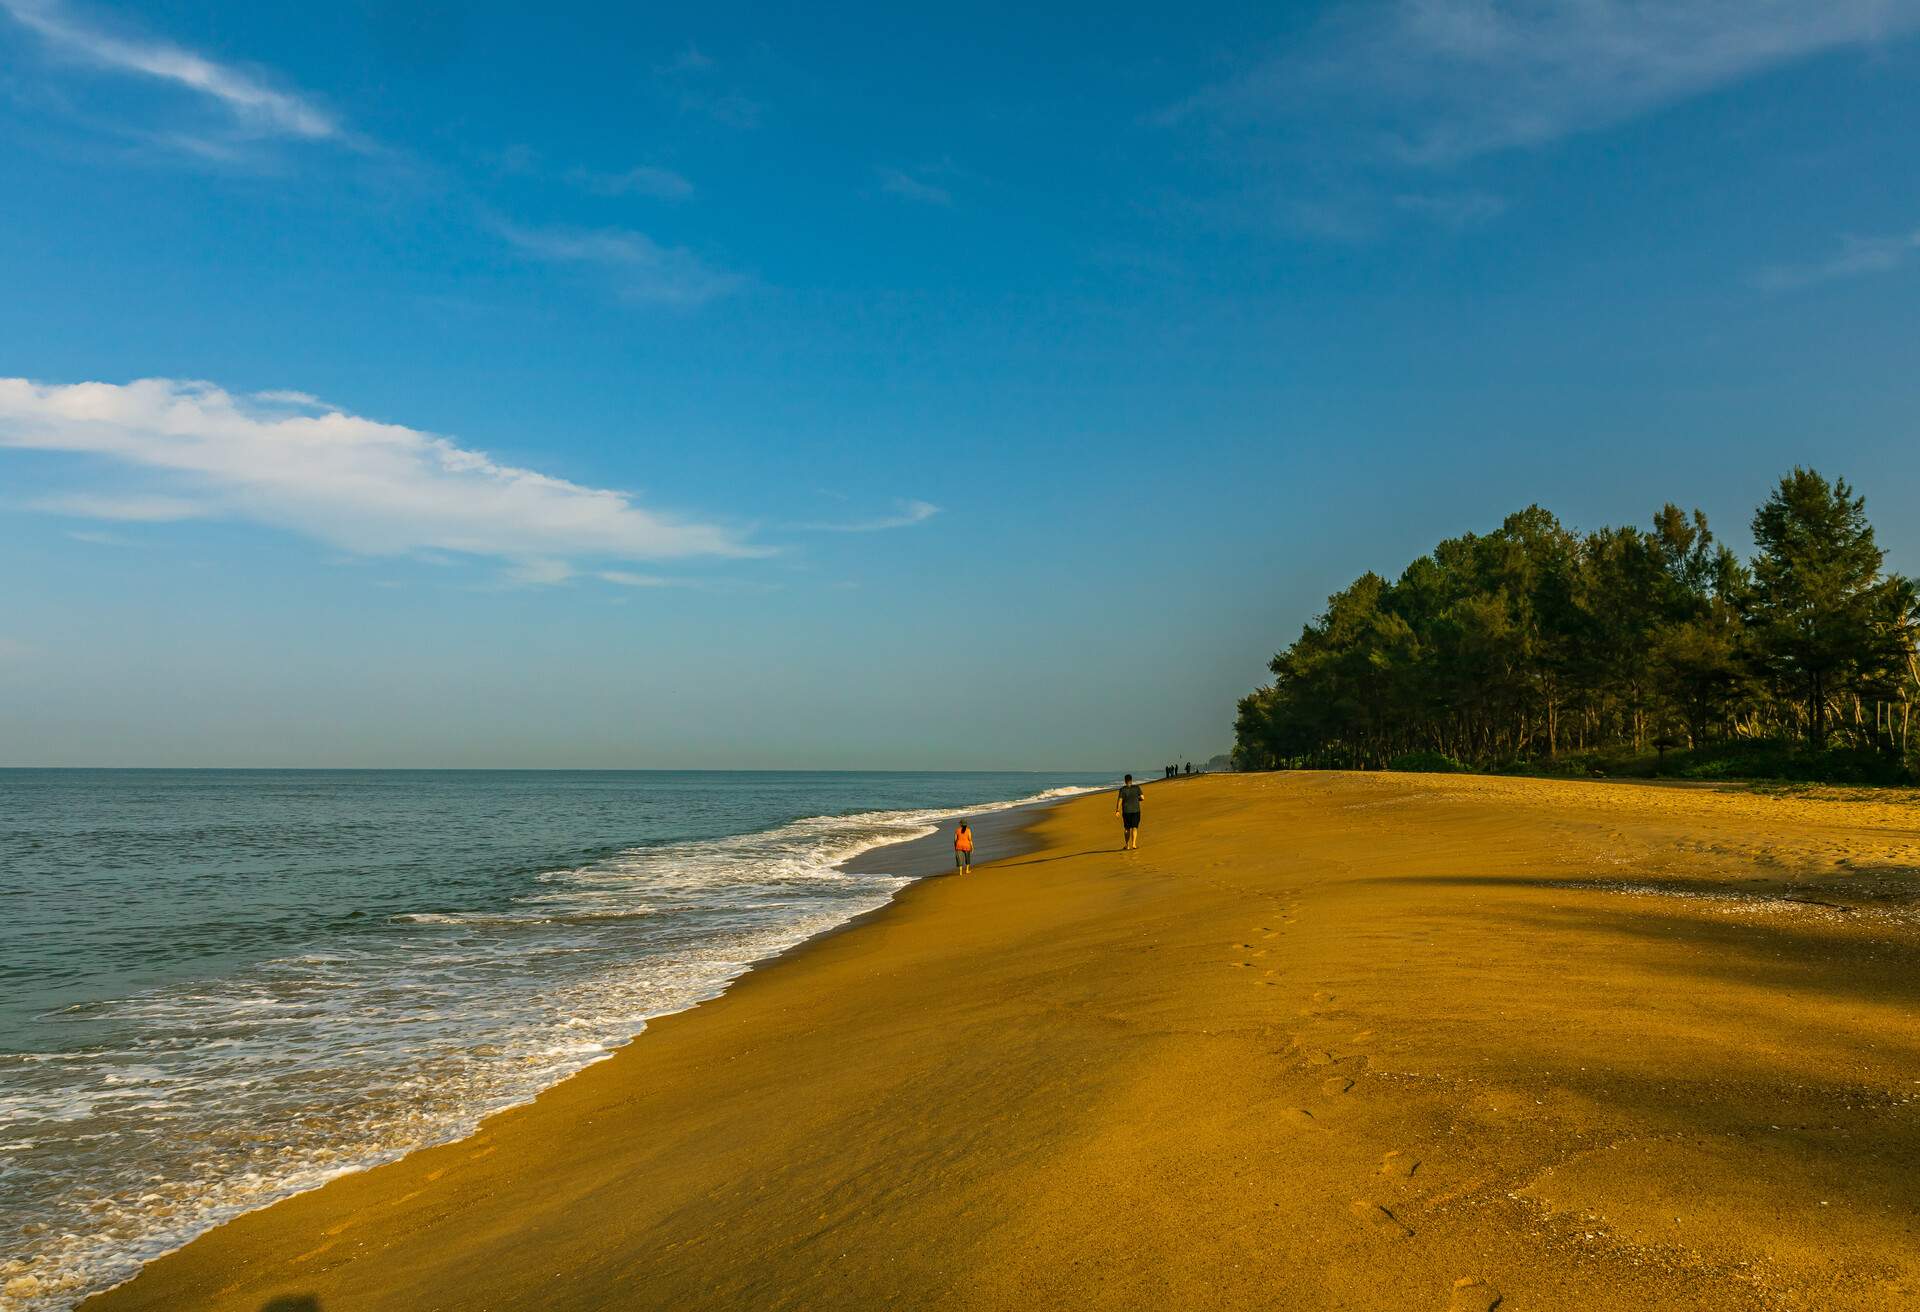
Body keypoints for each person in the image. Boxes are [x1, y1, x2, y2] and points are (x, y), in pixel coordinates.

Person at [1115, 774, 1143, 850]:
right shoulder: (1137, 788)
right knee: (1135, 827)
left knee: (1127, 828)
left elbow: (1120, 800)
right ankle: (1133, 844)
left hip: (1126, 811)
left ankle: (1127, 845)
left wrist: (1117, 810)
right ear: (1131, 780)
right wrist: (1137, 799)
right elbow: (1142, 798)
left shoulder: (1122, 789)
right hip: (1136, 810)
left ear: (1125, 781)